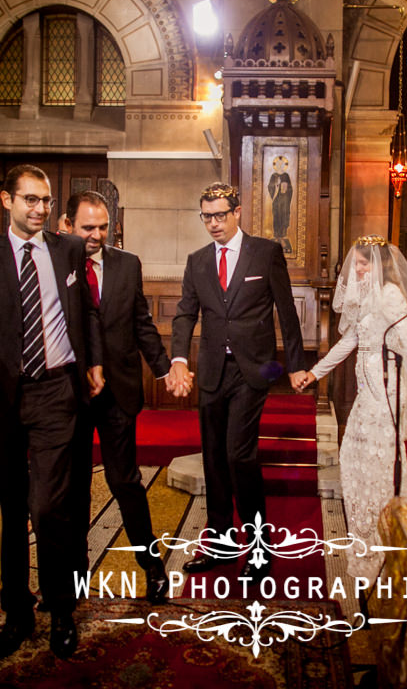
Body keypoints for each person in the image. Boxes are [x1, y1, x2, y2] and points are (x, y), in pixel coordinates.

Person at [0, 164, 104, 659]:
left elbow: (86, 312)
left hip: (58, 392)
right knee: (11, 509)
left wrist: (94, 362)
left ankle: (62, 610)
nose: (41, 209)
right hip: (4, 395)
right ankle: (17, 612)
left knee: (49, 506)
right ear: (6, 201)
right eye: (30, 200)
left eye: (45, 201)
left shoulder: (69, 248)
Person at [169, 182, 307, 579]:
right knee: (213, 460)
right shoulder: (197, 261)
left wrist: (296, 364)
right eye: (206, 216)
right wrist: (179, 358)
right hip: (212, 370)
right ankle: (222, 544)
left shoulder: (265, 252)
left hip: (253, 370)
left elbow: (286, 310)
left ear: (237, 212)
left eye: (219, 215)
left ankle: (260, 550)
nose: (213, 223)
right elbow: (184, 314)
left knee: (238, 455)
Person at [292, 237, 407, 579]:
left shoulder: (390, 295)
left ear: (381, 265)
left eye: (364, 263)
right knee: (354, 458)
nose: (357, 269)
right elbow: (350, 340)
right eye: (356, 263)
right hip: (367, 388)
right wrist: (315, 373)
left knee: (381, 462)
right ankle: (366, 535)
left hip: (386, 389)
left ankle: (386, 540)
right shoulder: (364, 298)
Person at [66, 190, 177, 604]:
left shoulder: (127, 264)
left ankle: (152, 566)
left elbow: (141, 323)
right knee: (73, 487)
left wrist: (164, 368)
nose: (95, 235)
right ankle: (75, 575)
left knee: (125, 480)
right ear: (68, 225)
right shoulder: (56, 263)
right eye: (87, 227)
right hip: (71, 393)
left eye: (102, 227)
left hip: (118, 391)